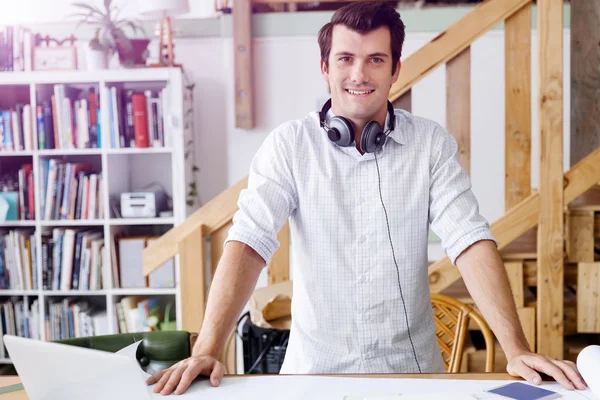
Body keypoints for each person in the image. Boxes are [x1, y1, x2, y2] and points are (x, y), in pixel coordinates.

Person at [147, 1, 587, 396]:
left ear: (396, 69)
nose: (359, 74)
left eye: (376, 59)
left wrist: (516, 349)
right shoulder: (289, 146)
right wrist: (207, 347)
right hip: (312, 377)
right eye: (346, 58)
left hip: (412, 379)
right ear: (325, 66)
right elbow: (248, 241)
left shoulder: (430, 144)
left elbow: (469, 240)